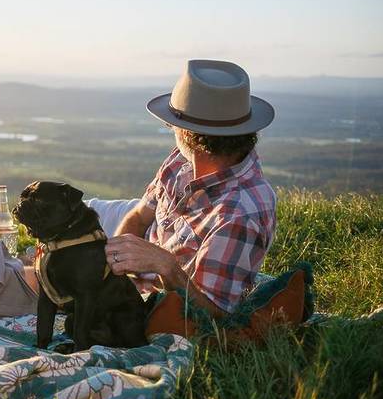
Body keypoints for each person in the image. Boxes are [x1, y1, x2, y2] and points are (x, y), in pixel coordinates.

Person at [94, 60, 277, 317]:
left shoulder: (239, 214)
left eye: (173, 125)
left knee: (46, 275)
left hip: (161, 290)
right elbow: (139, 216)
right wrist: (114, 269)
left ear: (188, 134)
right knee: (64, 222)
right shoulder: (183, 159)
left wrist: (167, 267)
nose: (173, 131)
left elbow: (214, 314)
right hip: (143, 258)